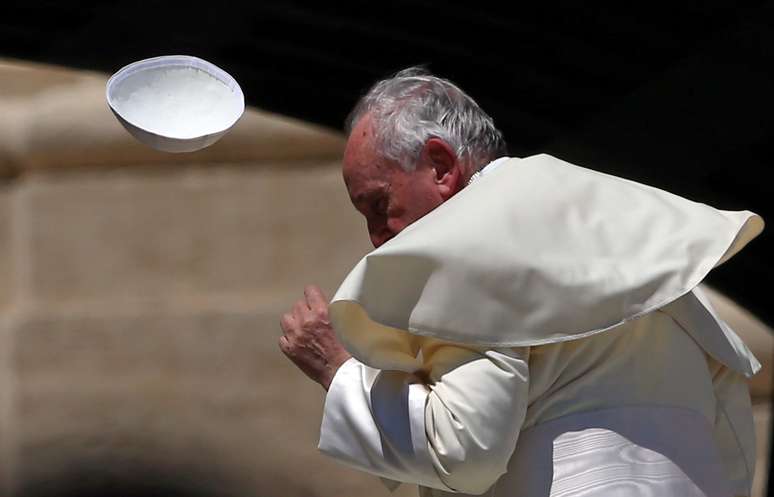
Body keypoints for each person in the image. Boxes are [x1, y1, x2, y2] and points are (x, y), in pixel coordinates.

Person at [278, 67, 764, 497]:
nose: (376, 238)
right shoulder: (609, 219)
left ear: (442, 165)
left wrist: (338, 372)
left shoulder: (466, 242)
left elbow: (464, 452)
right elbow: (732, 441)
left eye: (379, 207)